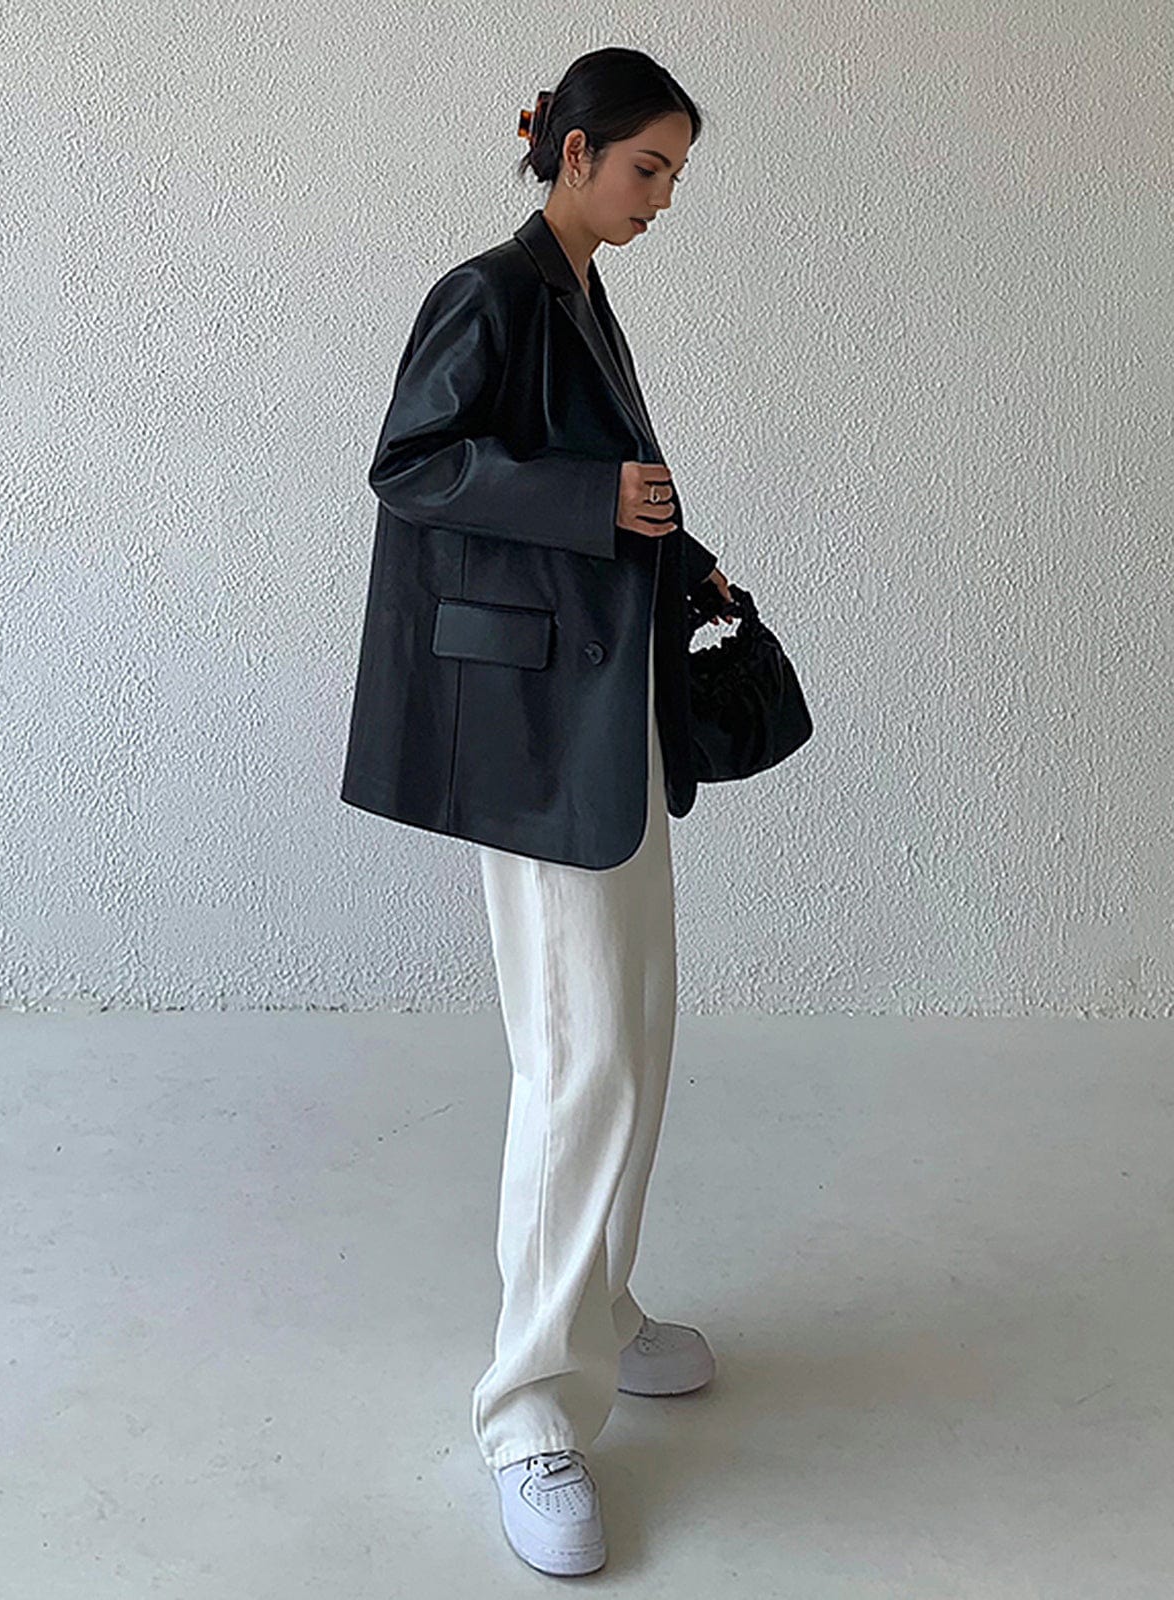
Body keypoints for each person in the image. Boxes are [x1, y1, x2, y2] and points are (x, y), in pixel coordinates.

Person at [340, 47, 732, 1578]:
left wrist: (676, 549)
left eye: (674, 175)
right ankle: (531, 1418)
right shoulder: (493, 292)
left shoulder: (580, 292)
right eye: (647, 168)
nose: (662, 199)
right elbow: (412, 463)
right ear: (574, 153)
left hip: (605, 701)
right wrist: (592, 504)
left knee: (634, 1030)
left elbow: (602, 475)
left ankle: (598, 1308)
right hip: (540, 727)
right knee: (579, 1058)